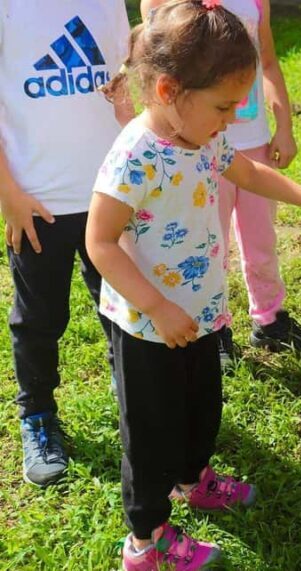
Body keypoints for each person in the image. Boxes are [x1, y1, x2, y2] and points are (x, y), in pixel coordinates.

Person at [85, 1, 301, 568]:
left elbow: (248, 171)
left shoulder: (202, 138)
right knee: (151, 432)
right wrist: (157, 307)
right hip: (149, 326)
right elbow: (100, 242)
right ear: (167, 91)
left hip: (202, 311)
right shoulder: (136, 154)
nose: (231, 120)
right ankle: (145, 542)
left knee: (201, 406)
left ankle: (192, 478)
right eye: (223, 106)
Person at [142, 0, 301, 370]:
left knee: (261, 238)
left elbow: (267, 62)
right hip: (197, 147)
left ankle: (270, 319)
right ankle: (215, 327)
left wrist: (284, 127)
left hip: (252, 144)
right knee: (209, 242)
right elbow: (158, 70)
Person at [0, 0, 133, 487]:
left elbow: (124, 83)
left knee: (121, 308)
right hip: (38, 204)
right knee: (39, 319)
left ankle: (134, 401)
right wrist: (9, 194)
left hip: (110, 194)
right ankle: (37, 415)